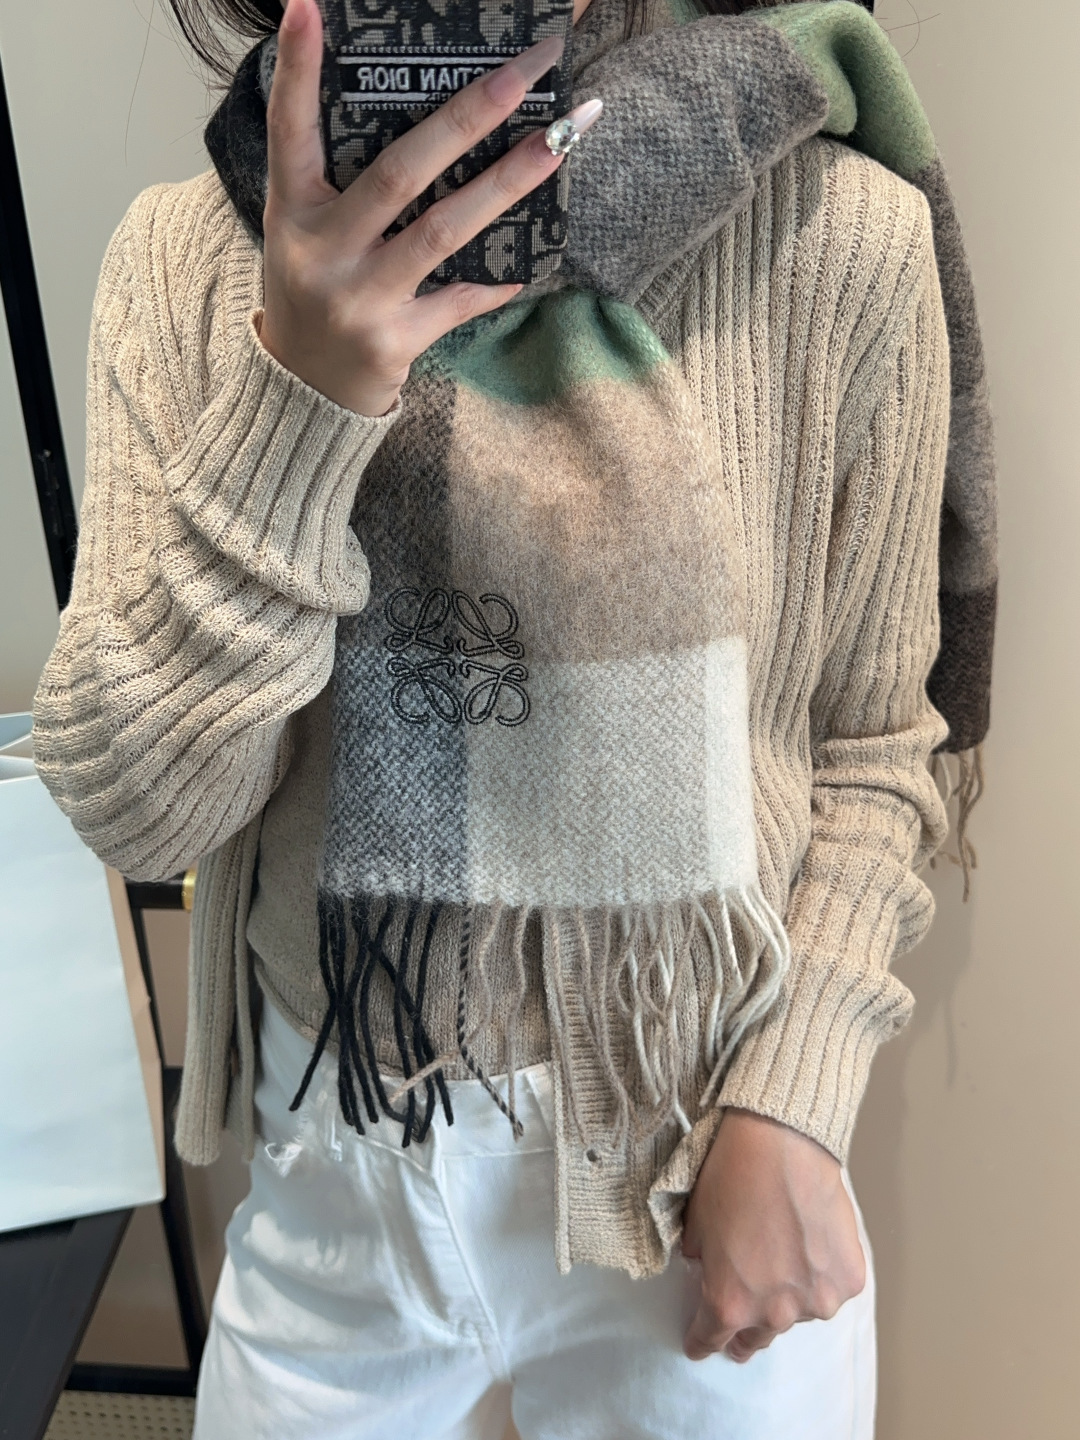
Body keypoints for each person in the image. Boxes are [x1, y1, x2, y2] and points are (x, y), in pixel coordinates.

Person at [31, 0, 974, 1434]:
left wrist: (799, 1094)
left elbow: (875, 744)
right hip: (338, 1150)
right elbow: (137, 811)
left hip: (699, 1149)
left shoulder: (837, 235)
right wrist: (300, 399)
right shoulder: (187, 258)